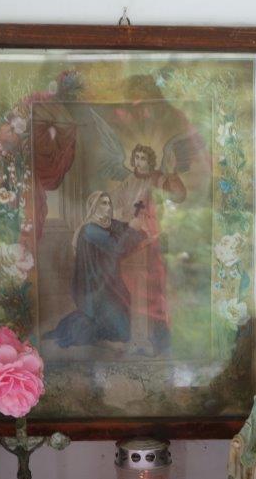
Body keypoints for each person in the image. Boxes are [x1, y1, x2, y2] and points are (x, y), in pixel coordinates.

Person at [46, 190, 148, 349]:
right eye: (103, 203)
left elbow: (123, 229)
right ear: (94, 207)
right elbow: (117, 247)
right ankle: (76, 329)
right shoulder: (90, 229)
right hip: (95, 286)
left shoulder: (108, 223)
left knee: (123, 333)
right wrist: (133, 230)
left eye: (109, 203)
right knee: (117, 332)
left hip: (109, 283)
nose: (108, 207)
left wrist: (134, 226)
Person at [111, 145, 187, 355]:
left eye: (143, 158)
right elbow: (114, 203)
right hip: (131, 238)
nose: (139, 161)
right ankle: (134, 337)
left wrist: (172, 173)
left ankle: (157, 340)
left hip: (151, 239)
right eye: (136, 157)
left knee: (153, 290)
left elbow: (179, 196)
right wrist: (124, 219)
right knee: (128, 287)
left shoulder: (157, 178)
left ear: (150, 161)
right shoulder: (128, 181)